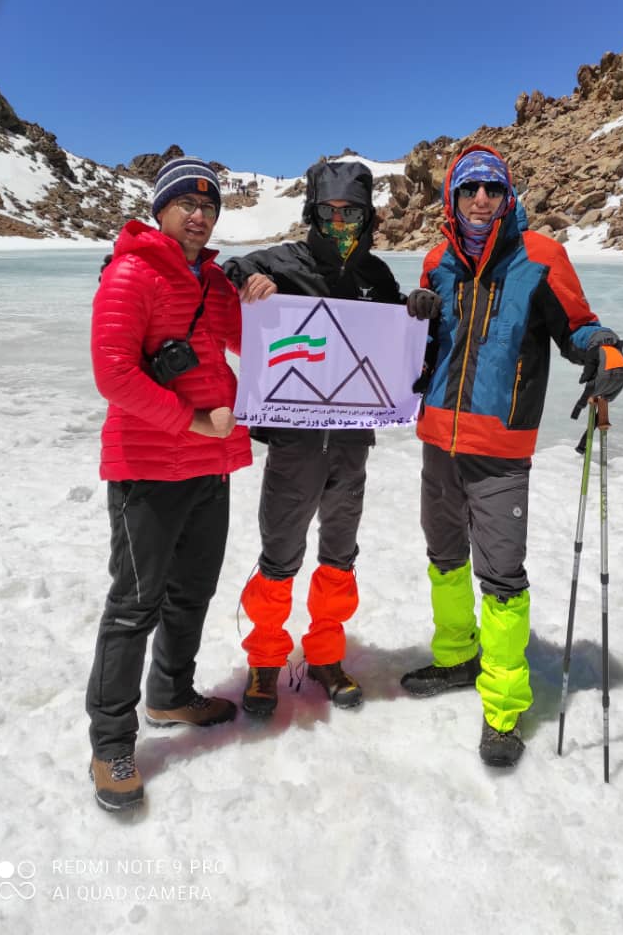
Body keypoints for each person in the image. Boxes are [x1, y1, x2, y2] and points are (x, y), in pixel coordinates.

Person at [400, 145, 623, 767]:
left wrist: (605, 348)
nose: (481, 200)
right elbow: (425, 348)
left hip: (500, 447)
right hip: (437, 439)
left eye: (492, 190)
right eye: (469, 189)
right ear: (452, 197)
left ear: (507, 197)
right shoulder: (437, 261)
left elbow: (577, 327)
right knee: (445, 557)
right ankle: (457, 657)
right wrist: (414, 313)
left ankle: (502, 709)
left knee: (501, 576)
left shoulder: (540, 256)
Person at [86, 156, 252, 812]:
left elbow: (253, 342)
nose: (199, 215)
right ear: (161, 210)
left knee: (192, 593)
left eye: (209, 206)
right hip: (147, 468)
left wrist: (261, 295)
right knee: (134, 607)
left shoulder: (212, 281)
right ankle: (111, 746)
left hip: (209, 466)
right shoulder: (131, 273)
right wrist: (193, 420)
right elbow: (114, 375)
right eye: (187, 203)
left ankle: (171, 694)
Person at [223, 159, 411, 715]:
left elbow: (400, 344)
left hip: (351, 444)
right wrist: (246, 280)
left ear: (367, 215)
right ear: (313, 212)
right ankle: (265, 661)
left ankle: (326, 655)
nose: (339, 221)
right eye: (329, 211)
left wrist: (415, 311)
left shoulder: (377, 277)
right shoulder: (282, 262)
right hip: (294, 444)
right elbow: (225, 271)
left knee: (339, 556)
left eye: (350, 211)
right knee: (280, 554)